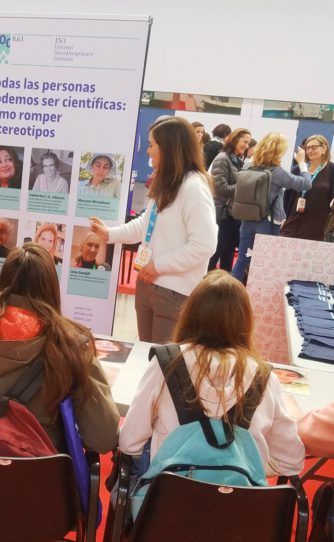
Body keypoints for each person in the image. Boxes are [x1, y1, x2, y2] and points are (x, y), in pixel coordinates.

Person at [119, 270, 305, 476]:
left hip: (168, 494)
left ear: (189, 314)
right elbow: (291, 461)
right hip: (240, 497)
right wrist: (246, 470)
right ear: (245, 321)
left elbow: (129, 443)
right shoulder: (265, 378)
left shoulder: (167, 363)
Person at [0, 243, 120, 453]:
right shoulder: (69, 345)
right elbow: (103, 437)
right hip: (40, 471)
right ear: (51, 288)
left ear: (3, 280)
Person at [90, 117, 217, 343]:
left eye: (151, 145)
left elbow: (204, 244)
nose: (148, 151)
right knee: (146, 355)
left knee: (163, 360)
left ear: (169, 148)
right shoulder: (169, 181)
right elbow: (146, 224)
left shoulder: (193, 187)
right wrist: (110, 234)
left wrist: (159, 265)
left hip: (173, 293)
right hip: (149, 285)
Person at [232, 133, 311, 282]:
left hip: (247, 218)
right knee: (265, 261)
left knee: (242, 259)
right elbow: (305, 184)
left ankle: (230, 291)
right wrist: (302, 163)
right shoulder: (277, 172)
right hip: (268, 222)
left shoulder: (247, 166)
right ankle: (258, 292)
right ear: (279, 151)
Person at [207, 128, 251, 272]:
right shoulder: (222, 158)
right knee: (215, 253)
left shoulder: (237, 160)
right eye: (245, 142)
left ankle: (224, 284)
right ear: (235, 139)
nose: (247, 146)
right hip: (222, 213)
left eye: (248, 143)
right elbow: (221, 188)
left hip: (232, 214)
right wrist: (244, 186)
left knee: (228, 254)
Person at [281, 134, 334, 241]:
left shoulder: (332, 169)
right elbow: (287, 197)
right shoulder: (298, 169)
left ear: (324, 148)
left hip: (317, 224)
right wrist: (283, 218)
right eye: (307, 148)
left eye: (314, 147)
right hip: (293, 220)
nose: (310, 150)